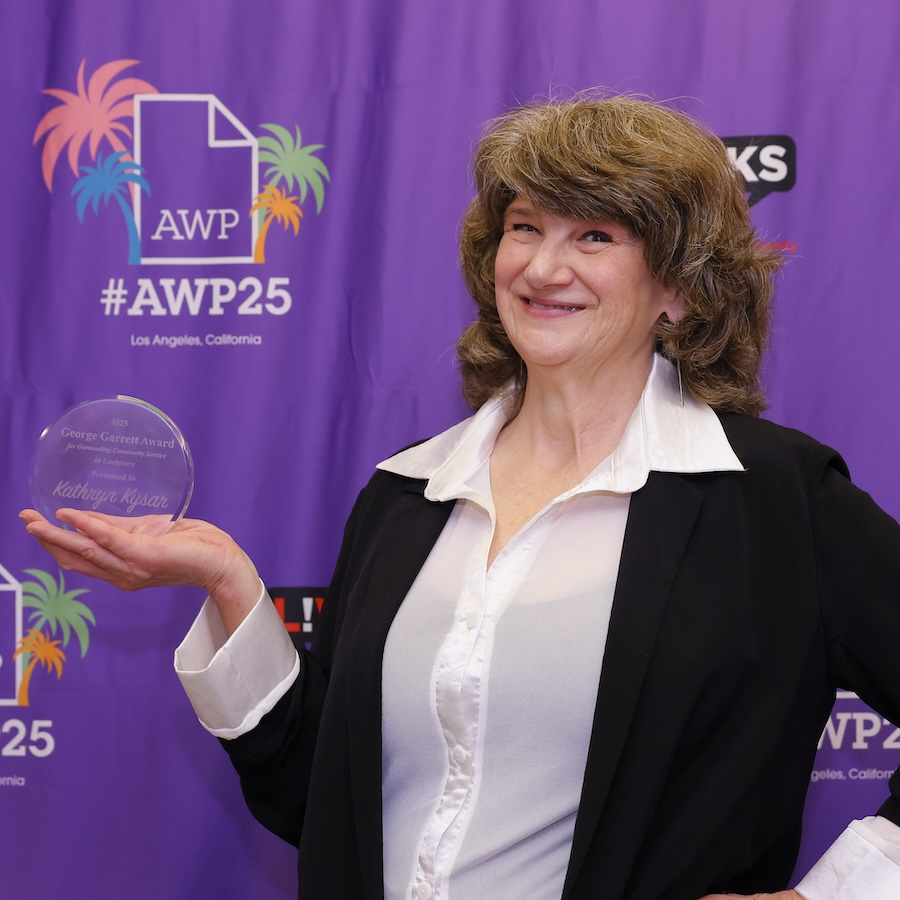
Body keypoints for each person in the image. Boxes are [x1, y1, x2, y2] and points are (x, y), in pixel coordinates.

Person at [20, 94, 900, 900]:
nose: (544, 266)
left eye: (595, 237)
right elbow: (322, 800)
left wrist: (832, 895)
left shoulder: (778, 501)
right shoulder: (409, 491)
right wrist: (229, 583)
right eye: (525, 227)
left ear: (677, 287)